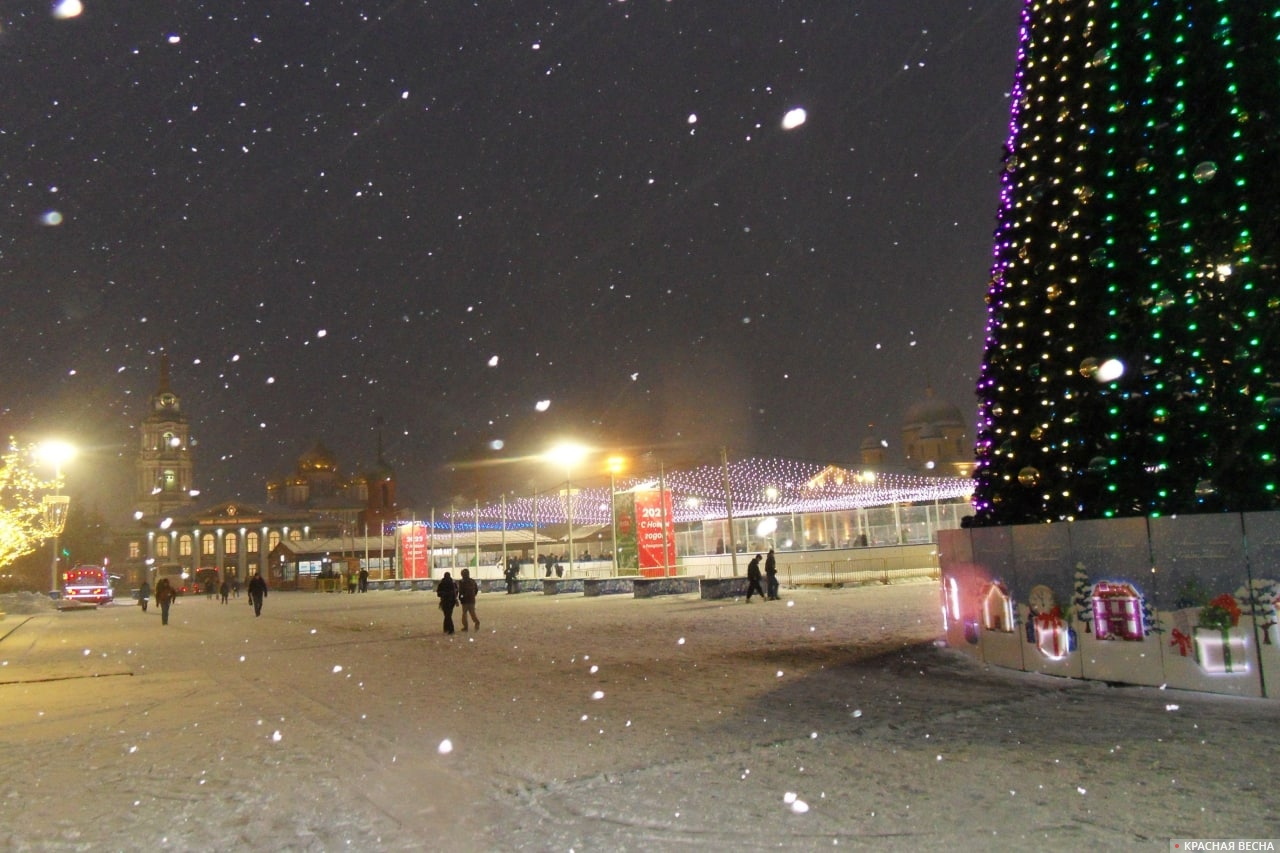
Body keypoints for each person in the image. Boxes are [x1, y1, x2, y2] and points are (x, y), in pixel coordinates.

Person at [458, 568, 480, 632]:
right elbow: (476, 590)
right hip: (471, 599)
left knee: (465, 614)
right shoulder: (472, 581)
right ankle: (476, 622)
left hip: (465, 600)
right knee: (472, 613)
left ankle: (466, 626)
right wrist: (473, 595)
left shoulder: (461, 582)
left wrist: (461, 597)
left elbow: (461, 591)